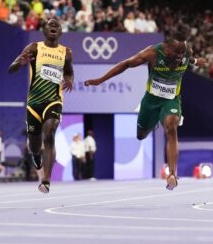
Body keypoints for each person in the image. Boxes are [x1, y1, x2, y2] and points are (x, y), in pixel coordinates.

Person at [84, 31, 206, 190]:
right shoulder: (153, 53)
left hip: (172, 99)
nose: (179, 58)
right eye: (176, 54)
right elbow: (126, 64)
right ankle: (152, 122)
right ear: (167, 48)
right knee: (141, 135)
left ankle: (172, 174)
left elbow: (188, 58)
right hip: (151, 100)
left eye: (181, 55)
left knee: (171, 126)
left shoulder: (185, 52)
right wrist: (100, 80)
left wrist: (196, 61)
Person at [9, 18, 74, 193]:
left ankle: (46, 180)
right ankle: (36, 155)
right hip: (33, 103)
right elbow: (12, 68)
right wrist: (20, 63)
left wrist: (69, 80)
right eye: (50, 24)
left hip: (53, 100)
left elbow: (69, 72)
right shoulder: (34, 48)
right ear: (44, 30)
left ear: (60, 32)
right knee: (35, 143)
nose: (54, 26)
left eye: (57, 25)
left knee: (49, 133)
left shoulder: (66, 52)